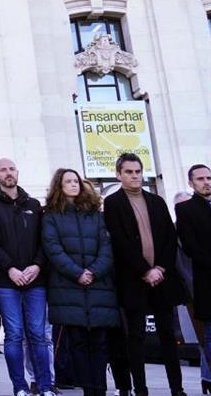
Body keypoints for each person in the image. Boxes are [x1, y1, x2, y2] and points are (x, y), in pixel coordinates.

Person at [103, 152, 188, 395]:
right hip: (133, 280)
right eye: (129, 172)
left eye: (138, 171)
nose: (135, 176)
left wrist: (159, 268)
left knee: (167, 336)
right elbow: (120, 241)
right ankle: (140, 388)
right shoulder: (113, 203)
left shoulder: (157, 201)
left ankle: (177, 388)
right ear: (118, 174)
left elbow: (169, 239)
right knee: (136, 336)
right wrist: (145, 270)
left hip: (161, 279)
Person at [41, 168, 118, 396]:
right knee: (77, 345)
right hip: (68, 290)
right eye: (68, 181)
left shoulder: (97, 215)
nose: (74, 184)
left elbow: (107, 248)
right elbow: (53, 249)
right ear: (59, 186)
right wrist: (77, 273)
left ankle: (100, 389)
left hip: (98, 288)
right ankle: (88, 390)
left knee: (100, 344)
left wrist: (93, 272)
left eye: (76, 181)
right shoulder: (51, 216)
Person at [0, 157, 53, 396]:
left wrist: (37, 266)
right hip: (5, 281)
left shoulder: (33, 204)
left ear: (17, 173)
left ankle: (44, 386)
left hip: (36, 280)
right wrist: (10, 268)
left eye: (12, 169)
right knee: (13, 335)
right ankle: (20, 387)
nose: (8, 173)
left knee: (38, 335)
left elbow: (45, 241)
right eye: (3, 169)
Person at [177, 163, 211, 395]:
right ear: (191, 183)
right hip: (207, 280)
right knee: (210, 335)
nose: (206, 182)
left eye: (209, 177)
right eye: (200, 179)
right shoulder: (186, 209)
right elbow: (190, 246)